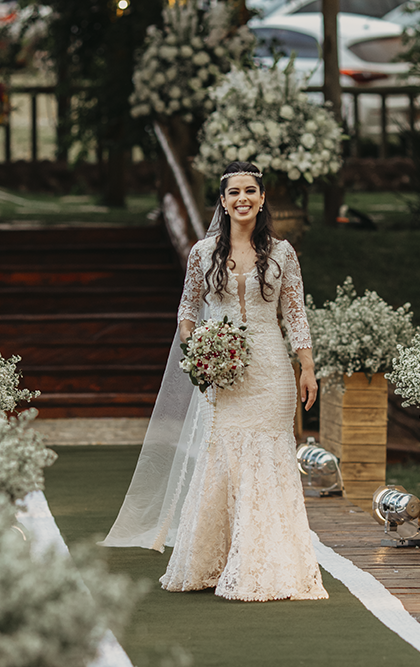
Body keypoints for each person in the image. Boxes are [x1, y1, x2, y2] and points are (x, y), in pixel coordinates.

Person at [102, 162, 328, 602]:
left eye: (250, 191)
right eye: (234, 192)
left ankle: (267, 563)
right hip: (222, 374)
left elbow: (295, 313)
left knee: (267, 456)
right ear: (223, 202)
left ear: (262, 199)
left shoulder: (282, 253)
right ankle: (215, 560)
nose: (243, 199)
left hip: (270, 371)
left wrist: (307, 366)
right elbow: (187, 310)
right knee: (222, 457)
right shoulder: (202, 253)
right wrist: (200, 350)